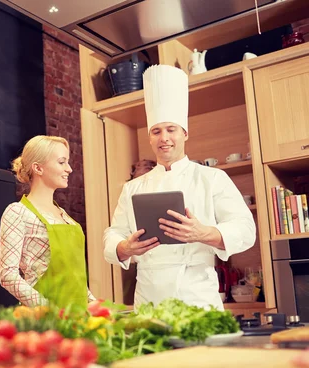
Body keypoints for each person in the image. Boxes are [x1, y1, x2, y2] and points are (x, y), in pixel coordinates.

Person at [102, 65, 256, 310]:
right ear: (150, 138)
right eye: (156, 131)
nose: (164, 138)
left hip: (196, 294)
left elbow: (246, 229)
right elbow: (114, 233)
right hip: (149, 297)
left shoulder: (212, 178)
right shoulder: (133, 188)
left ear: (184, 134)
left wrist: (203, 232)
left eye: (171, 129)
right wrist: (124, 247)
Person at [0, 135, 96, 309]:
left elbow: (74, 277)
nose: (70, 169)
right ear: (38, 168)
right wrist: (48, 309)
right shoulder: (18, 212)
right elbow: (8, 275)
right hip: (44, 320)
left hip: (78, 316)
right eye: (62, 162)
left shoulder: (65, 216)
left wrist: (93, 303)